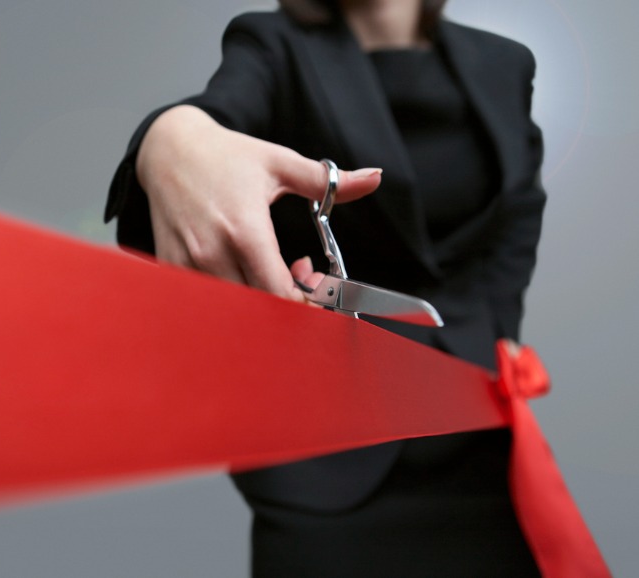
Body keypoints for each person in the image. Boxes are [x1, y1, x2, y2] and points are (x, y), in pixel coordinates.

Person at [104, 0, 546, 575]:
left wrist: (502, 334)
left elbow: (517, 211)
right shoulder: (270, 44)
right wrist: (169, 141)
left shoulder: (505, 62)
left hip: (478, 434)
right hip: (328, 457)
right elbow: (211, 122)